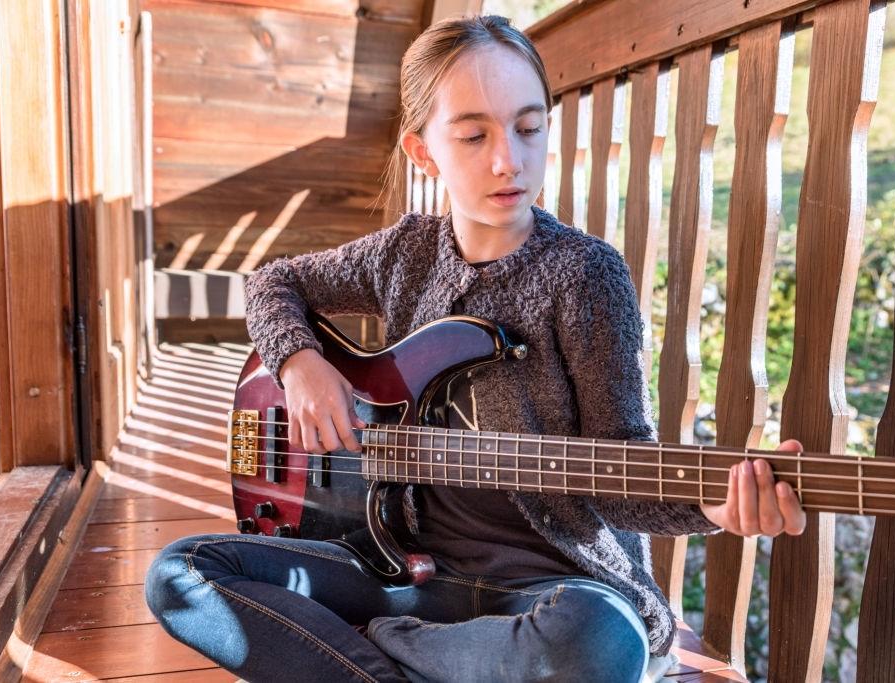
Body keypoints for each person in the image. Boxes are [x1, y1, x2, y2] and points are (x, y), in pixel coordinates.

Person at [145, 15, 806, 683]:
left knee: (604, 645)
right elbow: (271, 281)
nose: (507, 160)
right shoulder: (403, 255)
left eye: (528, 127)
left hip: (550, 587)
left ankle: (381, 655)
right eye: (472, 135)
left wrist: (714, 504)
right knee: (181, 573)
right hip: (400, 566)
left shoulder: (584, 275)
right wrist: (298, 361)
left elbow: (625, 464)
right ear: (423, 151)